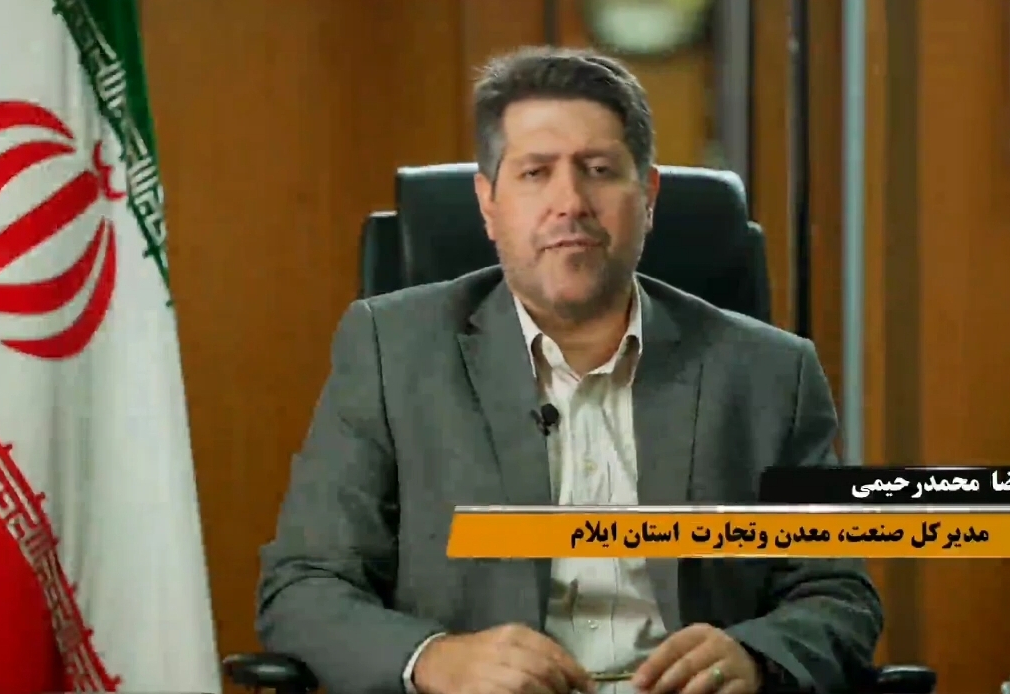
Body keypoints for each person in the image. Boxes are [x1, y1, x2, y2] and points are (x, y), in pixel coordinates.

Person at [257, 46, 882, 694]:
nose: (570, 201)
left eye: (599, 169)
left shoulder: (768, 373)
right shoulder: (391, 352)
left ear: (648, 197)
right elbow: (304, 585)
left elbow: (838, 594)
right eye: (535, 173)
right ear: (487, 204)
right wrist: (437, 659)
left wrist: (755, 656)